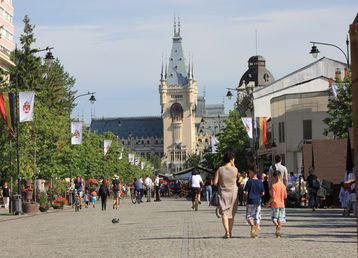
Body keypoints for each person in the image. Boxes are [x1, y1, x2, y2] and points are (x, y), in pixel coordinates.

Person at [213, 152, 239, 239]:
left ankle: (227, 232)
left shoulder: (220, 169)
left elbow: (215, 182)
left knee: (224, 213)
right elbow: (236, 177)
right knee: (231, 214)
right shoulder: (235, 169)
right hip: (233, 194)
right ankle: (230, 232)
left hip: (223, 193)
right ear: (231, 160)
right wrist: (233, 164)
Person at [244, 166, 265, 238]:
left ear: (252, 172)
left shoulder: (249, 181)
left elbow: (246, 192)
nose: (249, 174)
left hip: (250, 201)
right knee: (257, 217)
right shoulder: (260, 182)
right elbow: (263, 193)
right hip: (258, 201)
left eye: (249, 172)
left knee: (249, 216)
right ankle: (256, 233)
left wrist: (245, 200)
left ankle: (252, 226)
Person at [265, 170, 287, 238]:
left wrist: (268, 203)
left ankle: (277, 227)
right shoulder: (283, 186)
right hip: (282, 204)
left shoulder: (274, 186)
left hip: (275, 204)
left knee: (274, 219)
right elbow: (285, 196)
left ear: (274, 177)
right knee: (280, 219)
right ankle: (278, 233)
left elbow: (273, 197)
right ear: (280, 177)